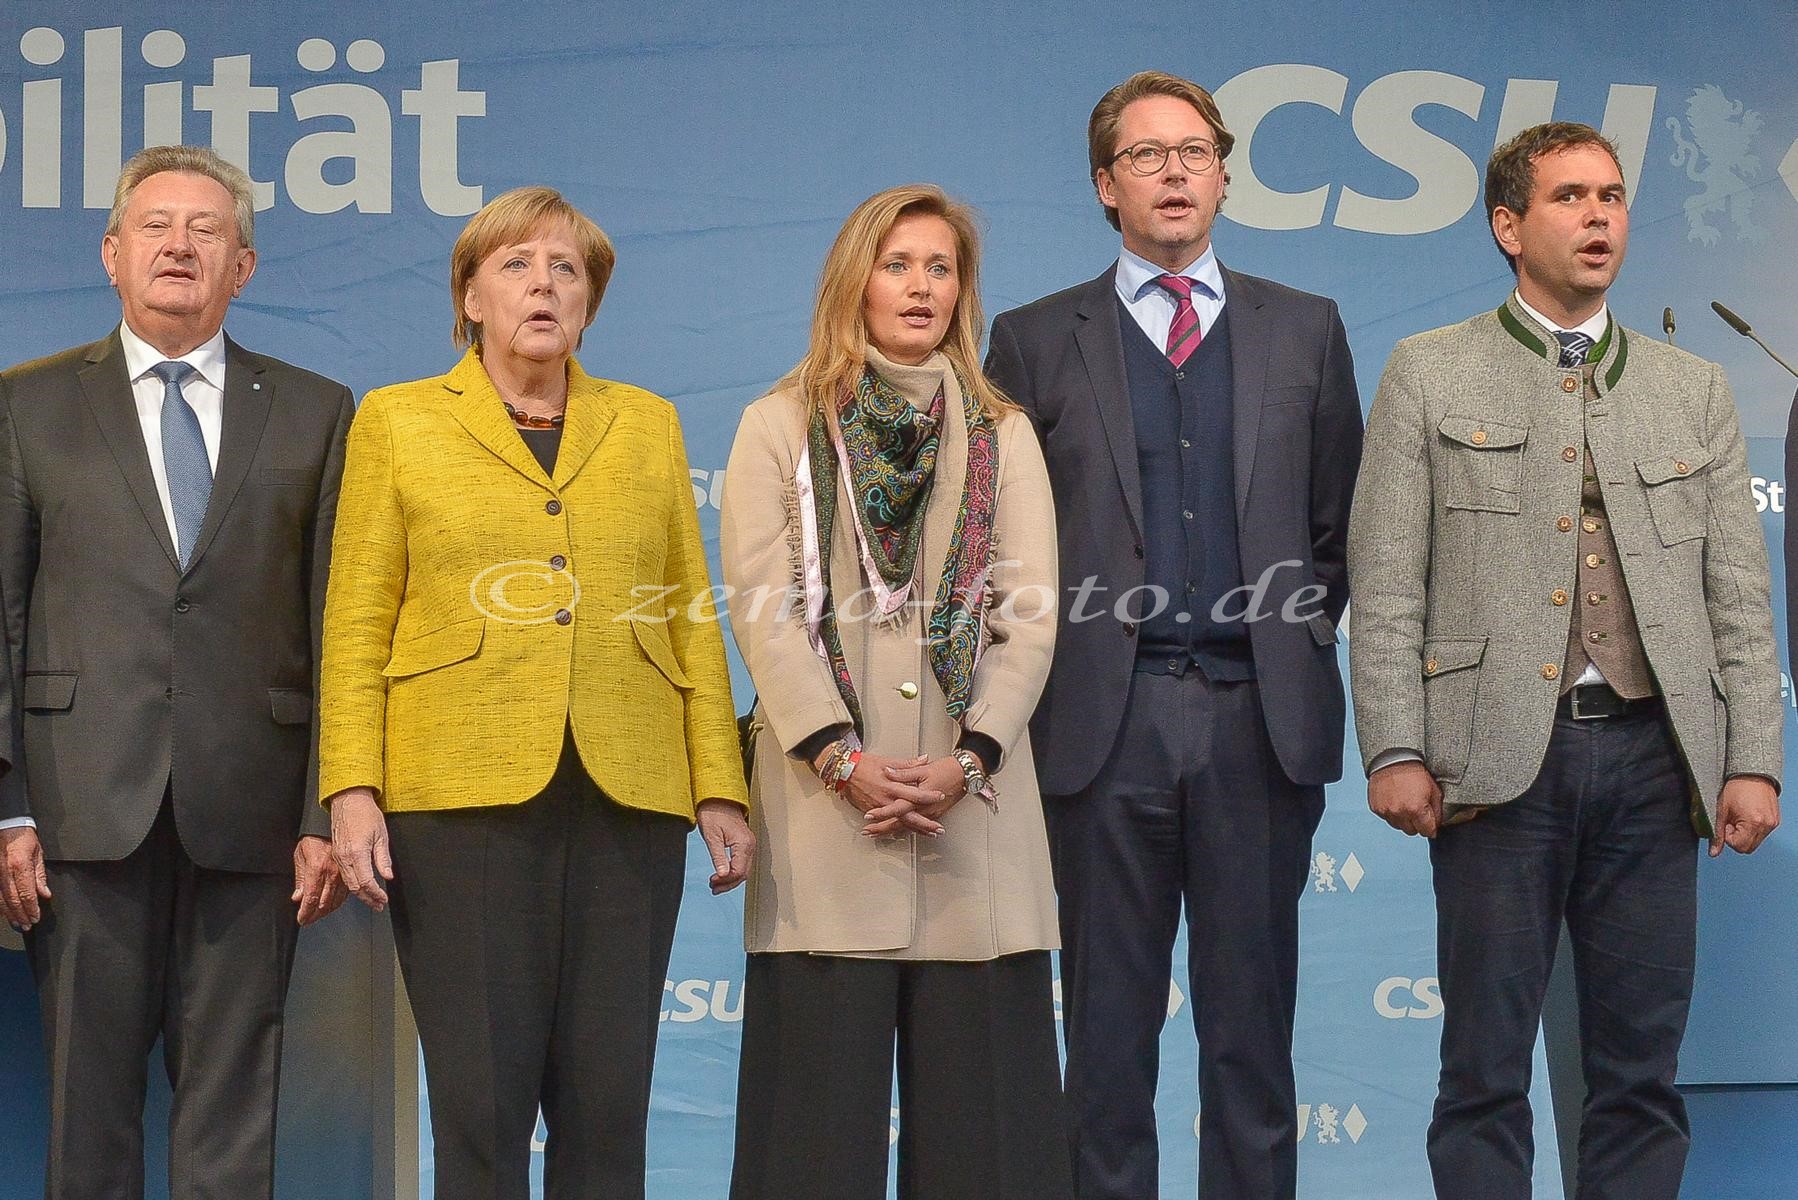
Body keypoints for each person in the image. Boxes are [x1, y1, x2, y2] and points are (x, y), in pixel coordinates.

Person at [1348, 121, 1782, 1200]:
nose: (1597, 217)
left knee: (1640, 1077)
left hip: (1652, 763)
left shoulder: (1695, 388)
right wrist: (1393, 747)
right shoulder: (1427, 371)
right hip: (1494, 767)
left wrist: (1753, 760)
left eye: (1612, 196)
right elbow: (1388, 580)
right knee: (1484, 1074)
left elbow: (1739, 598)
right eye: (1568, 197)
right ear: (1508, 225)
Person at [320, 186, 753, 1200]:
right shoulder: (398, 421)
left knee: (607, 1109)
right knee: (481, 1107)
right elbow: (354, 619)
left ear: (591, 302)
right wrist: (351, 786)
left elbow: (687, 610)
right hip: (454, 798)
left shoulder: (644, 423)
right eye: (517, 265)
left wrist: (719, 783)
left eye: (567, 269)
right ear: (470, 296)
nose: (544, 285)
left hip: (627, 797)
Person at [985, 71, 1363, 1199]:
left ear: (1224, 172)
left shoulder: (1304, 327)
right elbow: (1001, 544)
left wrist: (1281, 647)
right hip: (1102, 729)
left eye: (1194, 151)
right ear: (1106, 185)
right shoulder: (1034, 338)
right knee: (1105, 1045)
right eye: (1146, 156)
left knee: (1251, 1045)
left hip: (1260, 723)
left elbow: (1338, 532)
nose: (1174, 173)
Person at [0, 144, 351, 1200]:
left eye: (208, 230)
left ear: (243, 267)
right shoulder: (26, 405)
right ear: (112, 254)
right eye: (157, 226)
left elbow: (339, 621)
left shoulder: (319, 409)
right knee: (87, 1115)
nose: (180, 246)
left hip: (253, 812)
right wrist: (7, 806)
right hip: (77, 811)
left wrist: (325, 807)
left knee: (233, 1119)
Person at [721, 184, 1071, 1200]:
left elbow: (1030, 614)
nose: (919, 287)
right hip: (830, 820)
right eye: (896, 264)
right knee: (808, 1148)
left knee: (989, 1152)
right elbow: (765, 613)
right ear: (853, 282)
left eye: (940, 267)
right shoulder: (776, 425)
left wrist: (974, 757)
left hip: (976, 822)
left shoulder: (1002, 430)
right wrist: (843, 760)